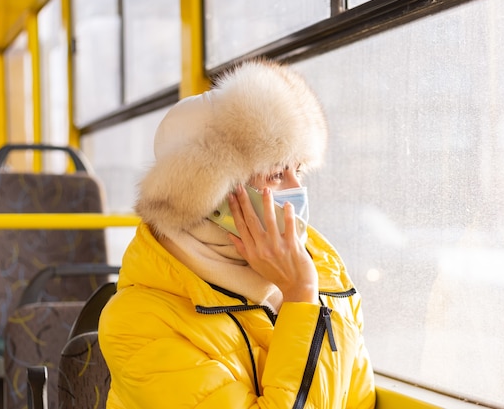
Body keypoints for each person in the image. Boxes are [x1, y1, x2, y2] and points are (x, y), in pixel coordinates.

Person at [98, 59, 376, 408]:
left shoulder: (325, 270)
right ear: (214, 196)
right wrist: (301, 296)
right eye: (276, 173)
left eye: (299, 170)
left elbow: (361, 399)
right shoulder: (136, 322)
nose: (297, 189)